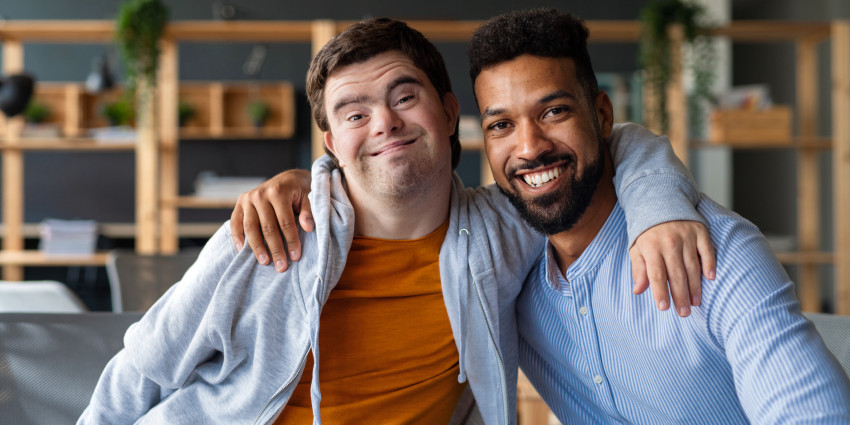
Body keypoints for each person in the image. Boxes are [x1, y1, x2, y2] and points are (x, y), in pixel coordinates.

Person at [80, 17, 713, 425]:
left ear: (446, 111)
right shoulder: (271, 232)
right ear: (331, 142)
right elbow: (143, 370)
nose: (383, 123)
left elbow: (617, 140)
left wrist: (658, 213)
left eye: (403, 97)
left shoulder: (506, 229)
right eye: (354, 113)